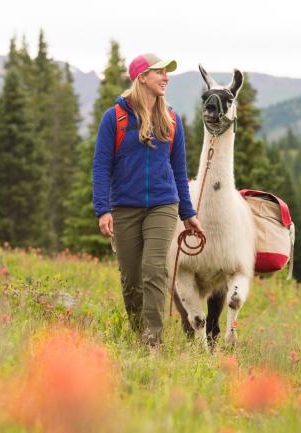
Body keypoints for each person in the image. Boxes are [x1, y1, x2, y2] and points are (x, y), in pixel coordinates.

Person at [92, 53, 203, 346]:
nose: (166, 78)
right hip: (124, 207)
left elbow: (179, 171)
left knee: (154, 269)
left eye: (167, 73)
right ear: (142, 77)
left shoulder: (171, 120)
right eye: (160, 73)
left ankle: (152, 341)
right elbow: (101, 166)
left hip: (163, 205)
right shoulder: (114, 118)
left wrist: (187, 213)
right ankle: (138, 330)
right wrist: (103, 209)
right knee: (131, 279)